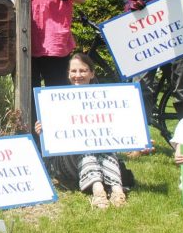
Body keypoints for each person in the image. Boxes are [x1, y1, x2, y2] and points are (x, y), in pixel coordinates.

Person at [35, 53, 130, 208]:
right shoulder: (55, 100)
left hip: (100, 156)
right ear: (68, 74)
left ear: (92, 73)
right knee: (84, 145)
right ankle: (98, 190)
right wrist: (42, 130)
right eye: (73, 71)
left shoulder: (107, 100)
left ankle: (117, 190)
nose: (77, 75)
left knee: (104, 145)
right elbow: (52, 139)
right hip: (65, 161)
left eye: (83, 71)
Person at [124, 0, 183, 118]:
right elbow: (129, 0)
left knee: (180, 87)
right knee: (142, 85)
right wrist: (134, 6)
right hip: (148, 38)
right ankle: (144, 132)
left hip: (176, 36)